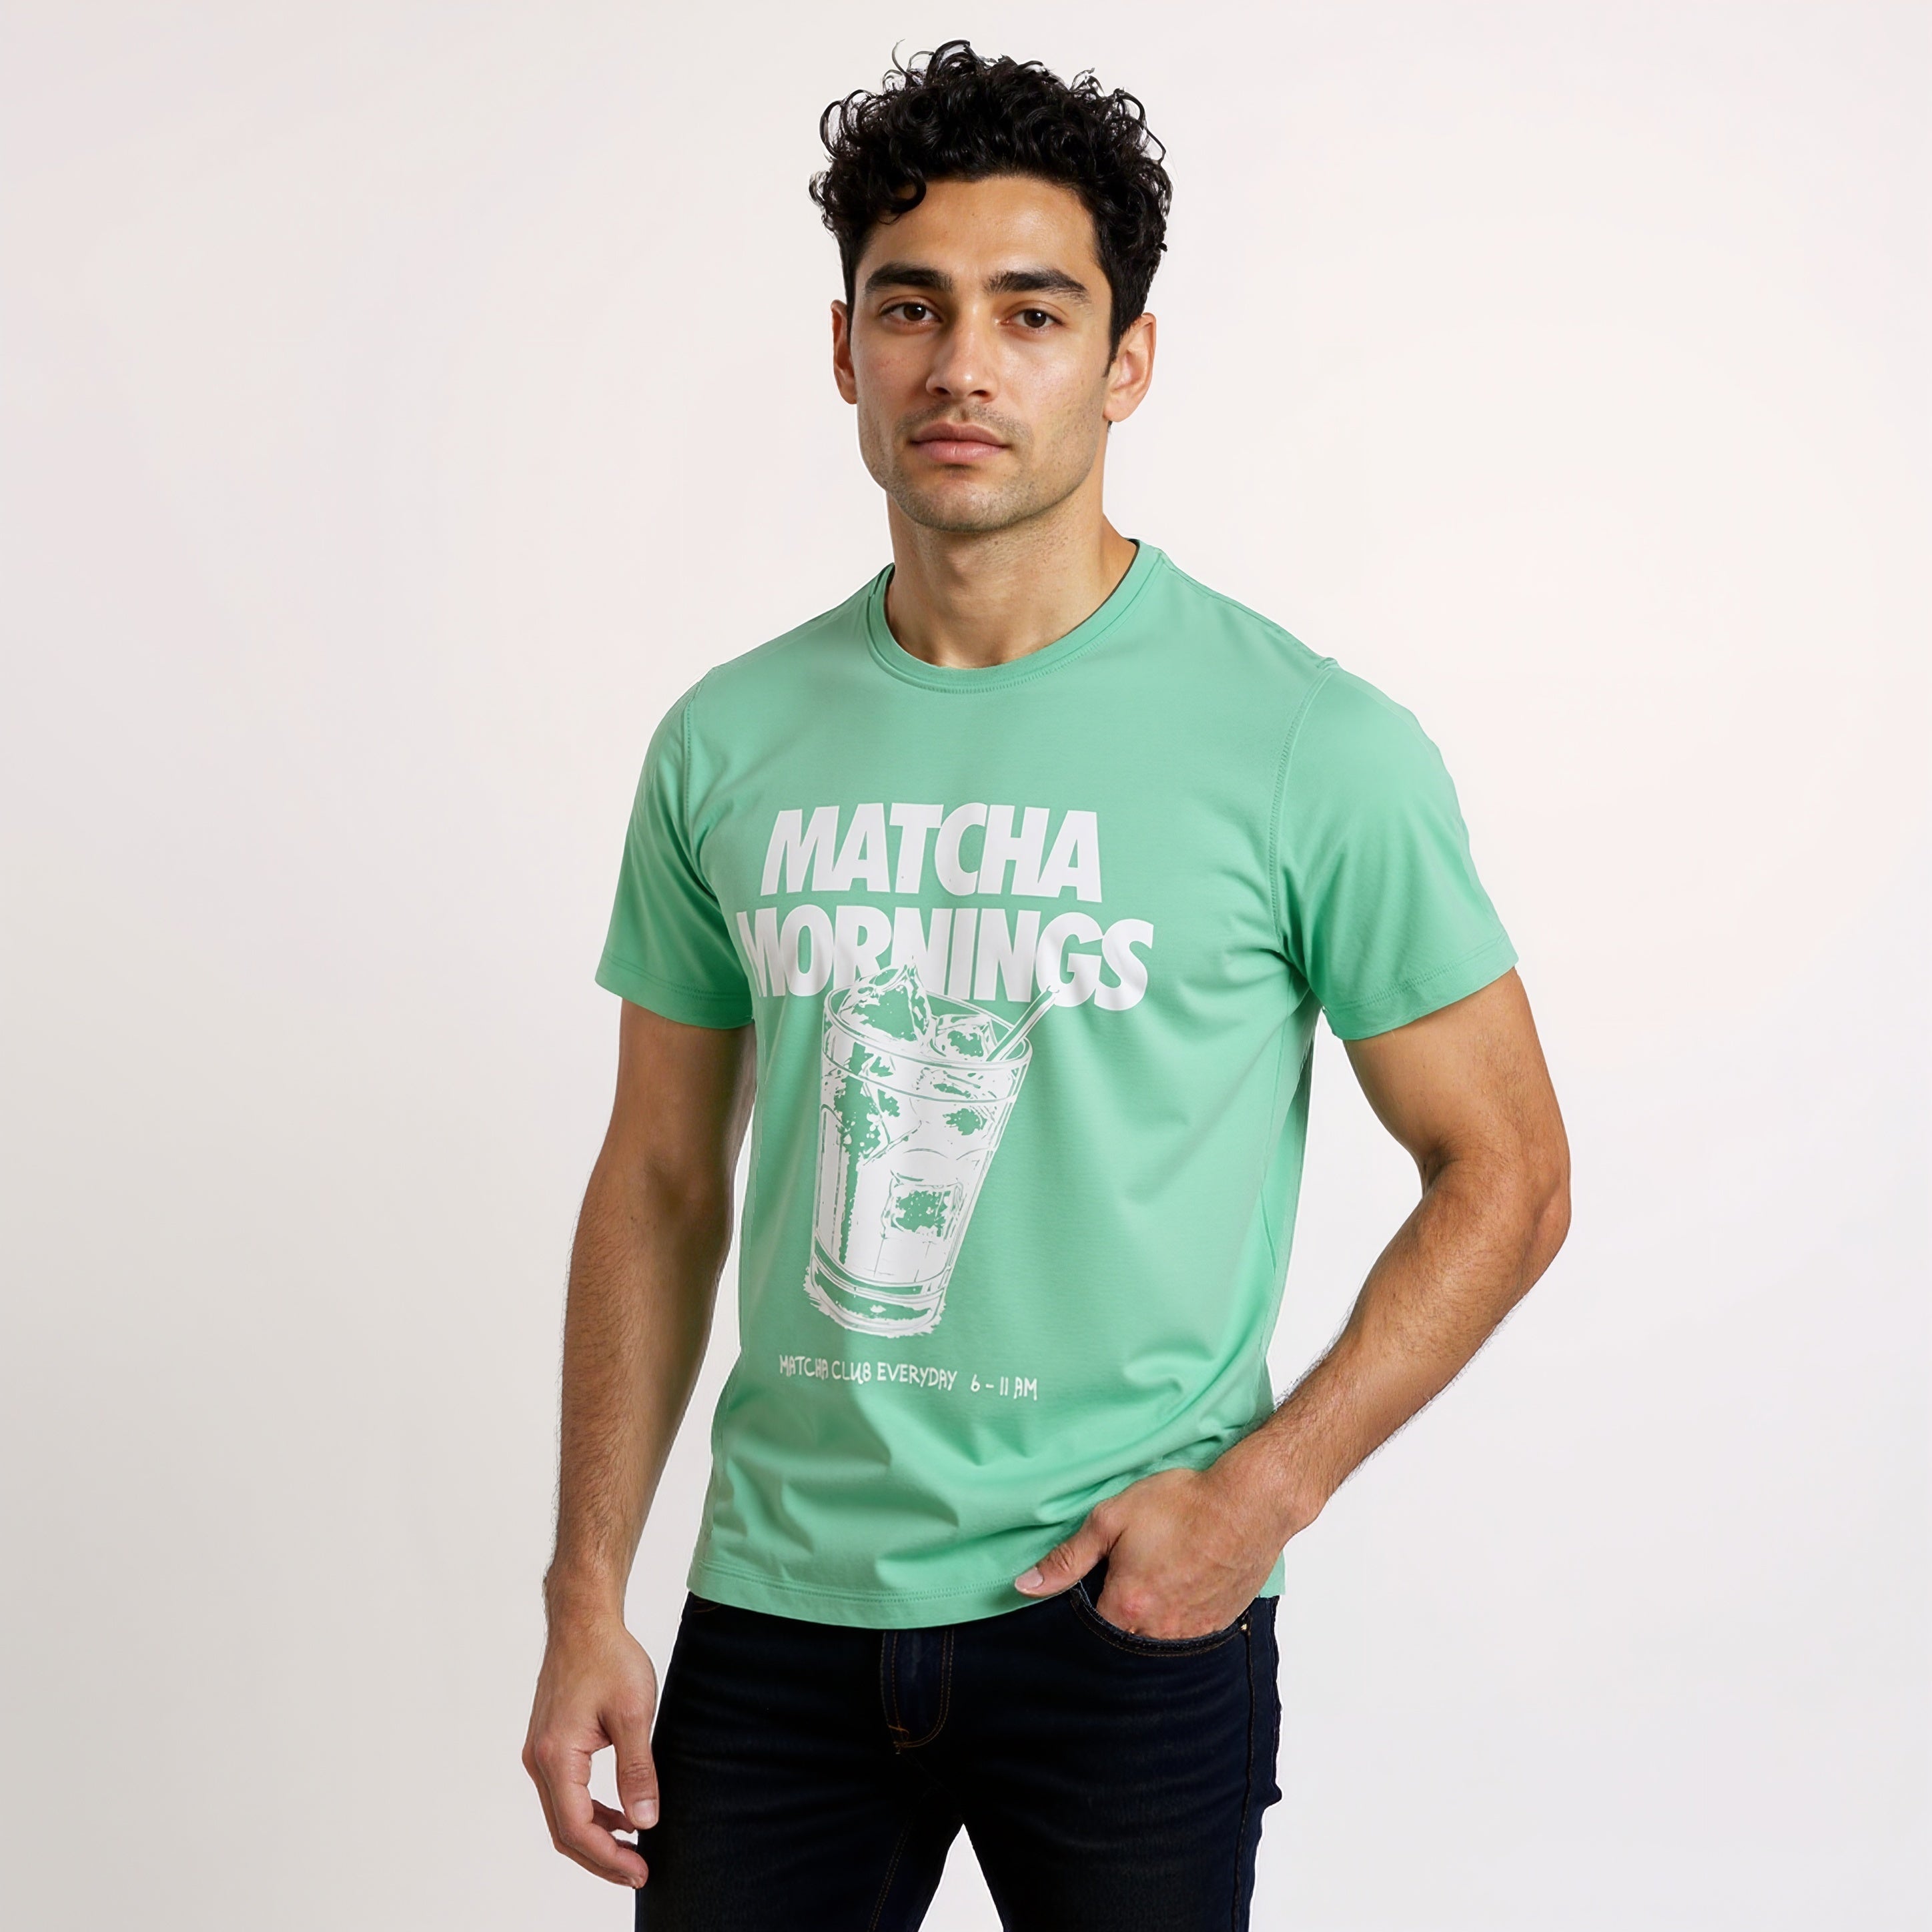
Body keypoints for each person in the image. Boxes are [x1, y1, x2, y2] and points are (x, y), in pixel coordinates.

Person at [522, 39, 1570, 1932]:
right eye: (910, 307)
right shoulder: (727, 740)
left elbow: (1508, 1172)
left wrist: (1261, 1498)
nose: (963, 366)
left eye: (1032, 312)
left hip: (1126, 1614)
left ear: (1125, 360)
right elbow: (662, 1180)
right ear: (844, 348)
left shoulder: (1306, 744)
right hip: (778, 1612)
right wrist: (586, 1589)